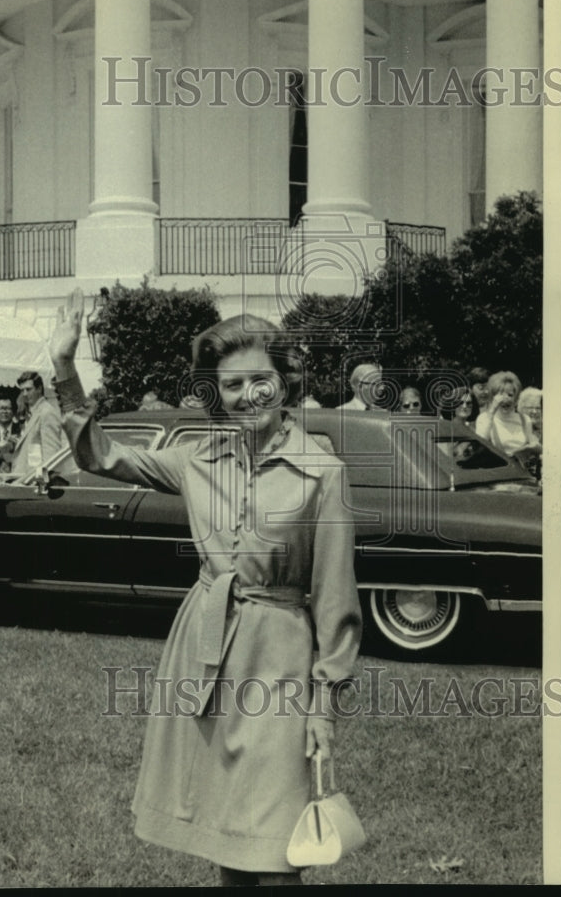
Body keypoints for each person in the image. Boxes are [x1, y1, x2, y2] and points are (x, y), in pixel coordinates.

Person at [49, 289, 362, 887]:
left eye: (259, 379)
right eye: (233, 386)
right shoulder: (198, 457)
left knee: (277, 844)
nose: (249, 396)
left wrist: (325, 705)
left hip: (280, 661)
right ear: (217, 394)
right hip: (204, 653)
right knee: (226, 827)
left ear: (284, 379)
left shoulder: (323, 471)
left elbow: (335, 598)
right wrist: (66, 368)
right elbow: (100, 455)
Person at [8, 370, 64, 474]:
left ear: (39, 389)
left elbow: (51, 458)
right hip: (22, 481)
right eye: (22, 390)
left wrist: (40, 485)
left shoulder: (47, 413)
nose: (24, 394)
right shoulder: (29, 413)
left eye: (28, 389)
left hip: (34, 484)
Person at [475, 371, 540, 459]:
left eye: (510, 395)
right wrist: (492, 411)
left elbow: (532, 445)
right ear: (493, 397)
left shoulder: (525, 419)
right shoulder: (484, 418)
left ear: (516, 398)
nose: (506, 399)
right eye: (501, 394)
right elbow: (479, 445)